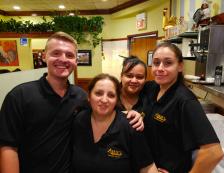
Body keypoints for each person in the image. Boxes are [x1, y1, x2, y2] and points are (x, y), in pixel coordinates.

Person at [0, 32, 143, 173]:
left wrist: (129, 114)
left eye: (69, 55)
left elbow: (103, 111)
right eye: (56, 53)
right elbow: (8, 147)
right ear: (44, 56)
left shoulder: (80, 96)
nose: (63, 59)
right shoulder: (19, 96)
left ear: (76, 61)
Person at [144, 42, 224, 173]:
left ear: (180, 66)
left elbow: (213, 152)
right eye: (156, 62)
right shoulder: (151, 88)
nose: (160, 68)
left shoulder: (185, 100)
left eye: (168, 63)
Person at [72, 73, 159, 173]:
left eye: (111, 95)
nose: (104, 100)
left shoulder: (130, 126)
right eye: (98, 93)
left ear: (117, 99)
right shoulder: (79, 120)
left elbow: (147, 167)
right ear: (89, 96)